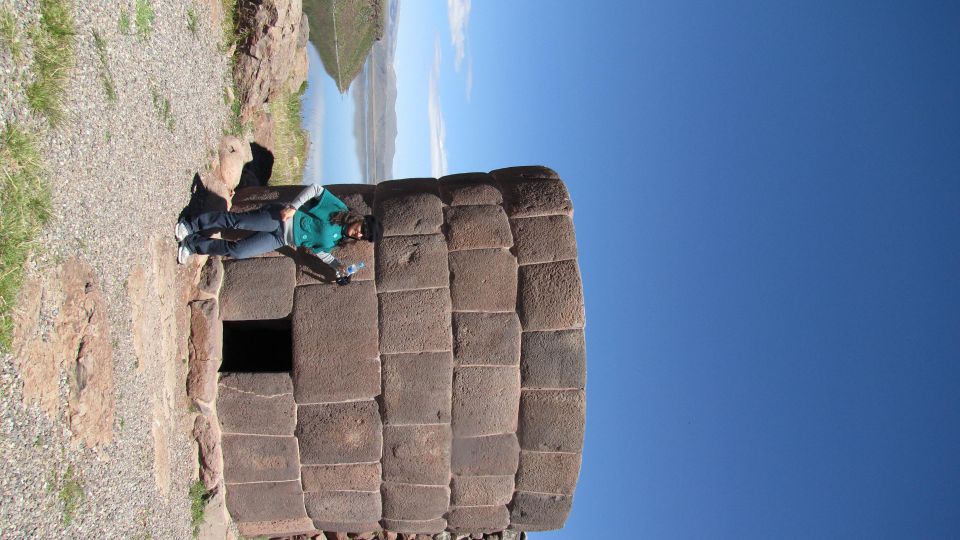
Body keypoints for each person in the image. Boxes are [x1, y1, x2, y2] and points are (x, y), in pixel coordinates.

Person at [175, 184, 382, 275]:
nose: (360, 233)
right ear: (362, 219)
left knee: (238, 251)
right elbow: (316, 189)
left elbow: (320, 252)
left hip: (281, 240)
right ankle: (190, 224)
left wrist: (338, 267)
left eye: (363, 236)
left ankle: (193, 245)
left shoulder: (338, 240)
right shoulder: (339, 210)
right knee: (236, 222)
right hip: (278, 220)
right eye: (363, 228)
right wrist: (293, 207)